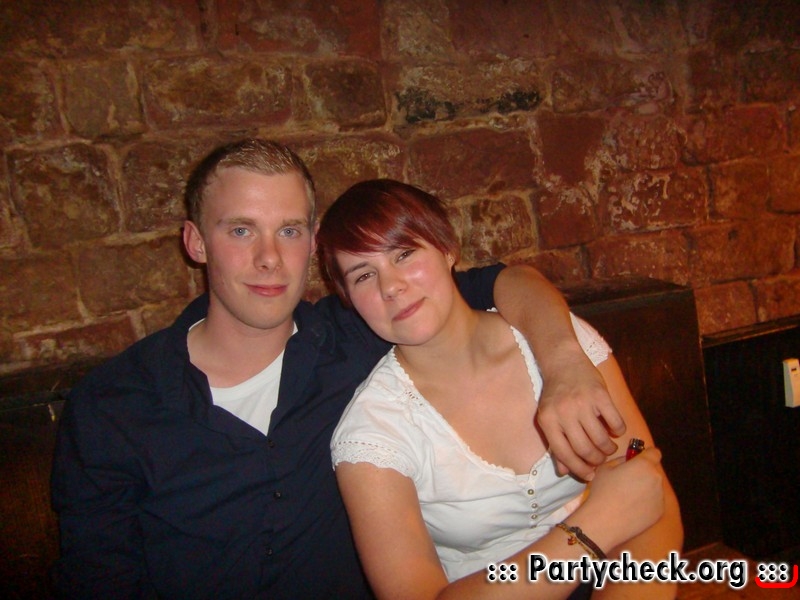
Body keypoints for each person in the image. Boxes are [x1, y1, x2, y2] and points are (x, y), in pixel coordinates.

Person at [51, 139, 623, 599]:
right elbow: (100, 581)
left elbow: (503, 281)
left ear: (312, 243)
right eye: (241, 230)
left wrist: (565, 362)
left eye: (289, 231)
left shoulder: (361, 327)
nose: (269, 258)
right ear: (196, 242)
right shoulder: (113, 408)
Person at [316, 179, 684, 599]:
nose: (391, 286)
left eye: (404, 253)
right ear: (348, 298)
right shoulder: (372, 434)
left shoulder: (556, 342)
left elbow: (651, 498)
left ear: (447, 248)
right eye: (364, 275)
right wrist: (594, 525)